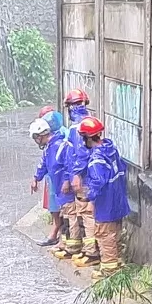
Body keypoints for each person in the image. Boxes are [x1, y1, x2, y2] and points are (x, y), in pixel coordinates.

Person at [75, 114, 130, 273]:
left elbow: (98, 182)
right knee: (115, 233)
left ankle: (109, 270)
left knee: (105, 235)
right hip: (119, 199)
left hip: (106, 203)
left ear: (87, 137)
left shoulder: (96, 159)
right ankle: (118, 263)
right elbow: (122, 168)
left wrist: (88, 197)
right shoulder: (111, 150)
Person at [53, 89, 93, 261]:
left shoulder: (78, 127)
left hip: (83, 178)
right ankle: (81, 247)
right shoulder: (84, 123)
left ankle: (92, 252)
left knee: (86, 214)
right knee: (80, 213)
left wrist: (75, 175)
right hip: (81, 176)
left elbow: (81, 154)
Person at [30, 110, 73, 249]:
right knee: (65, 213)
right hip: (58, 186)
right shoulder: (50, 148)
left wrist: (67, 181)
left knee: (69, 216)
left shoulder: (60, 145)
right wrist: (36, 178)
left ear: (41, 135)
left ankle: (68, 245)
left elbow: (69, 165)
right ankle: (65, 243)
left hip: (64, 187)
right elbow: (43, 164)